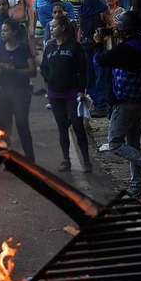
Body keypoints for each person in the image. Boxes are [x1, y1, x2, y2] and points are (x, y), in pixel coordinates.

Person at [93, 11, 141, 199]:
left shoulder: (125, 49)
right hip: (140, 102)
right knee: (133, 144)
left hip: (124, 104)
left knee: (115, 143)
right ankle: (136, 188)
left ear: (124, 30)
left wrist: (98, 43)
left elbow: (99, 61)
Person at [41, 16, 92, 173]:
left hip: (72, 93)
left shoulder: (75, 47)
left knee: (77, 125)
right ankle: (66, 159)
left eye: (54, 26)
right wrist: (50, 81)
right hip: (55, 94)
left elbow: (83, 69)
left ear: (63, 28)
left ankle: (86, 160)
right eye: (51, 26)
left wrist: (81, 90)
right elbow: (44, 67)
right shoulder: (49, 47)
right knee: (62, 127)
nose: (51, 29)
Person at [0, 19, 36, 161]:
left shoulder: (23, 49)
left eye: (6, 30)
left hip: (20, 91)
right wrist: (1, 69)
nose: (3, 33)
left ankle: (30, 159)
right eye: (2, 31)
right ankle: (6, 157)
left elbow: (32, 71)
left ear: (14, 32)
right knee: (3, 126)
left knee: (22, 124)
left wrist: (16, 70)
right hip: (3, 91)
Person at [79, 0, 110, 118]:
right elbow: (80, 27)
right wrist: (79, 42)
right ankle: (95, 103)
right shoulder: (82, 9)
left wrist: (104, 38)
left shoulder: (101, 9)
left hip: (98, 46)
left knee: (100, 75)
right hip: (86, 45)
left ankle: (102, 105)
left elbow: (112, 24)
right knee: (90, 76)